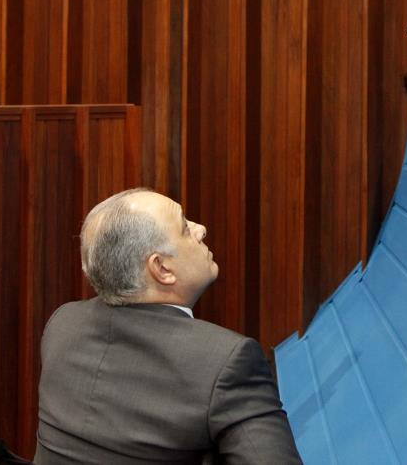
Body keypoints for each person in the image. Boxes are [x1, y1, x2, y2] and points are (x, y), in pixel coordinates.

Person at [34, 188, 301, 464]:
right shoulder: (225, 363)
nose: (201, 230)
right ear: (162, 268)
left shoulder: (63, 325)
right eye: (185, 227)